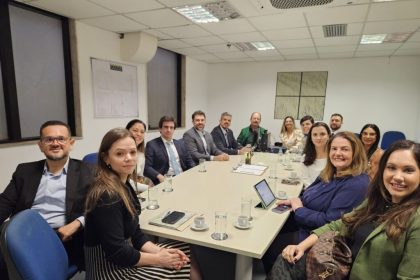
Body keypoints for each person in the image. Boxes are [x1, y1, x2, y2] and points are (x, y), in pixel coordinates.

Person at [272, 140, 420, 280]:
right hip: (337, 268)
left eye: (408, 170)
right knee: (285, 260)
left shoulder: (416, 219)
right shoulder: (378, 200)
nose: (398, 177)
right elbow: (339, 224)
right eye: (391, 168)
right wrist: (300, 246)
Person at [84, 128, 200, 280]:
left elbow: (136, 233)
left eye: (132, 152)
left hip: (125, 255)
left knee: (184, 251)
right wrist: (160, 259)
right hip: (111, 271)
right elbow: (117, 253)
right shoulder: (107, 195)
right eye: (120, 154)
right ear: (106, 158)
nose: (129, 158)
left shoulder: (123, 183)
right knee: (185, 265)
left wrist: (160, 252)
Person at [262, 131, 369, 273]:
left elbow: (330, 223)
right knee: (268, 226)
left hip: (315, 238)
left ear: (356, 153)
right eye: (334, 148)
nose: (338, 153)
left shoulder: (356, 184)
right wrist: (294, 201)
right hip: (303, 222)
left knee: (270, 247)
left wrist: (299, 209)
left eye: (344, 149)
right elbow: (307, 193)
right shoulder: (331, 172)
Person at [0, 120, 93, 278]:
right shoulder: (24, 171)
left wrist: (78, 223)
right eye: (49, 139)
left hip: (63, 239)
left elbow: (103, 208)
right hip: (25, 237)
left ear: (71, 143)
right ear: (40, 145)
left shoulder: (89, 172)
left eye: (61, 139)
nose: (55, 143)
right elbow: (4, 204)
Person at [144, 116, 195, 185]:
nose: (169, 130)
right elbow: (147, 168)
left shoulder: (181, 144)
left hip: (183, 177)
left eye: (171, 127)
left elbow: (190, 162)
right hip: (166, 180)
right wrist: (159, 176)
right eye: (166, 127)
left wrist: (194, 173)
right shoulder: (152, 145)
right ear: (160, 129)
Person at [300, 122, 331, 188]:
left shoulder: (333, 157)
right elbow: (306, 180)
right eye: (315, 134)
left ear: (328, 136)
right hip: (310, 193)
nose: (318, 138)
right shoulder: (305, 157)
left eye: (322, 134)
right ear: (311, 137)